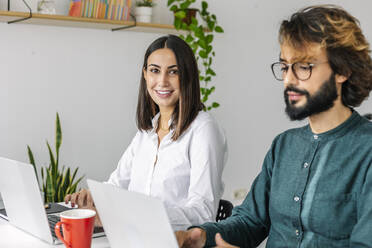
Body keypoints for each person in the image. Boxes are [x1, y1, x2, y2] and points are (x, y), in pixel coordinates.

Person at [177, 5, 372, 247]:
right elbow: (250, 221)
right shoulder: (284, 145)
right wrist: (201, 236)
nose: (289, 79)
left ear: (343, 70)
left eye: (303, 66)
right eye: (284, 67)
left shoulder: (367, 150)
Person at [65, 35, 228, 231]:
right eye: (154, 71)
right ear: (145, 74)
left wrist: (136, 214)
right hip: (134, 235)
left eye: (173, 72)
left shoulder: (203, 129)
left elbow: (203, 212)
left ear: (188, 76)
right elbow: (116, 185)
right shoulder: (147, 132)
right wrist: (92, 199)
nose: (162, 81)